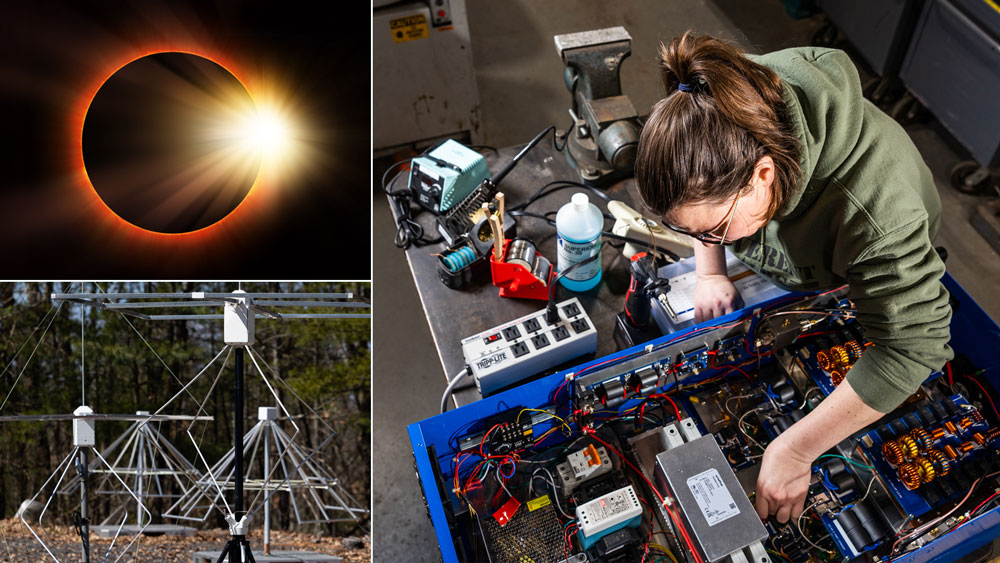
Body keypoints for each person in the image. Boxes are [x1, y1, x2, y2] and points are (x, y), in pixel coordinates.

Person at [634, 32, 952, 524]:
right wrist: (708, 270)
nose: (711, 238)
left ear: (762, 176)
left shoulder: (876, 221)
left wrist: (797, 449)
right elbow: (698, 193)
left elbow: (911, 349)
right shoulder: (719, 99)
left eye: (715, 230)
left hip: (860, 265)